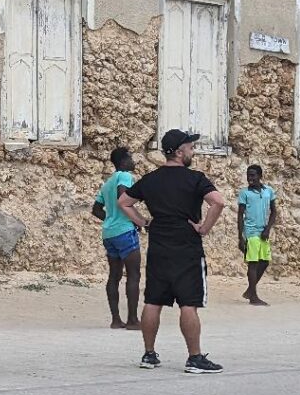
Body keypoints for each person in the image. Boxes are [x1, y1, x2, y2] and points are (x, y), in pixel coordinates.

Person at [118, 129, 225, 374]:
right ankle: (195, 357)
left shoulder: (151, 179)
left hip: (158, 246)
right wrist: (204, 228)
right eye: (190, 147)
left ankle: (149, 354)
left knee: (153, 301)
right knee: (189, 302)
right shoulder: (195, 178)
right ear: (179, 152)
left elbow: (124, 202)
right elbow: (218, 201)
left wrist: (144, 222)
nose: (193, 151)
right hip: (186, 246)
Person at [92, 147, 145, 330]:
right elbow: (124, 199)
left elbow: (96, 209)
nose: (133, 160)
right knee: (133, 274)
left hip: (109, 233)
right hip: (124, 231)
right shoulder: (125, 176)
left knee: (114, 275)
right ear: (123, 162)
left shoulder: (106, 183)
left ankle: (116, 319)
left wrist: (109, 219)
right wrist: (139, 220)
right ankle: (132, 320)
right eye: (130, 157)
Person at [237, 164, 277, 307]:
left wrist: (268, 228)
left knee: (265, 262)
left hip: (263, 232)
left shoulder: (269, 192)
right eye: (248, 175)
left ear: (260, 176)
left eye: (253, 175)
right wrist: (240, 237)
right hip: (251, 232)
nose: (250, 178)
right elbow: (240, 215)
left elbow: (274, 212)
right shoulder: (244, 193)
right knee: (253, 263)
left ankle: (250, 290)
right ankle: (253, 297)